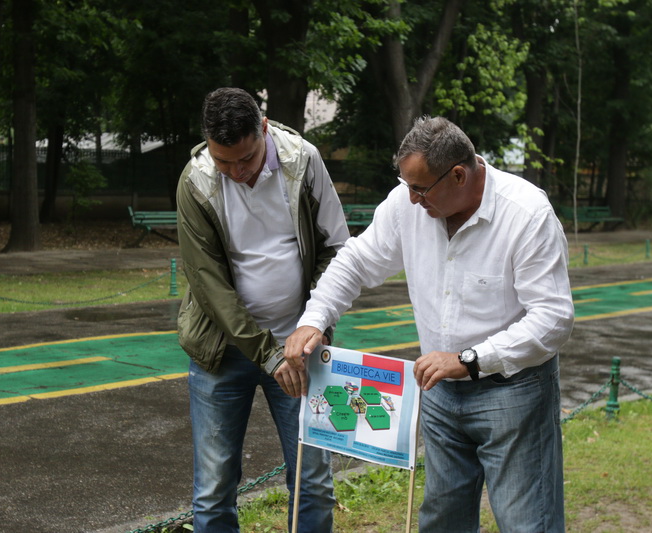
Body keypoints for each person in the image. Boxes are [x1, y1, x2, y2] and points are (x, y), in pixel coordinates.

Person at [283, 116, 574, 532]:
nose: (413, 199)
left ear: (458, 174)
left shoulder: (525, 213)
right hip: (439, 391)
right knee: (442, 519)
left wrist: (470, 360)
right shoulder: (408, 202)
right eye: (407, 186)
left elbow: (552, 318)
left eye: (420, 188)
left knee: (527, 522)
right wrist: (315, 318)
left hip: (514, 393)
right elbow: (357, 260)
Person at [176, 87, 348, 533]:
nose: (236, 172)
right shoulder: (195, 181)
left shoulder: (304, 161)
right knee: (213, 491)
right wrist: (268, 355)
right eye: (223, 161)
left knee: (313, 481)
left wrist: (317, 327)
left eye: (247, 159)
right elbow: (208, 285)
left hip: (301, 349)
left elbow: (336, 249)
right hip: (222, 353)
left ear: (265, 130)